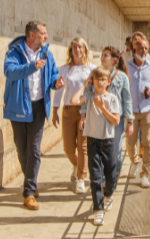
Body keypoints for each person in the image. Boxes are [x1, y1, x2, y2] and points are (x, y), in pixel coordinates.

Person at [3, 21, 63, 210]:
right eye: (43, 34)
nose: (46, 37)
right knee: (22, 150)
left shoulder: (47, 53)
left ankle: (28, 192)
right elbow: (9, 71)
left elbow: (53, 75)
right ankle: (31, 179)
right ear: (31, 35)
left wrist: (56, 83)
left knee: (35, 150)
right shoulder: (14, 52)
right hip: (19, 107)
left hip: (38, 108)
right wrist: (31, 66)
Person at [69, 66, 121, 226]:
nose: (99, 82)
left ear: (108, 82)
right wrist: (84, 86)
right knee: (95, 177)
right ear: (93, 81)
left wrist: (102, 107)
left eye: (103, 79)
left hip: (108, 141)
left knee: (111, 175)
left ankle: (109, 194)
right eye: (96, 79)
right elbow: (73, 101)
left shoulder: (112, 98)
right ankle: (98, 210)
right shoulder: (89, 96)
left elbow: (116, 121)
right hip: (92, 140)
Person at [79, 47, 134, 188]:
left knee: (115, 152)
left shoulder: (121, 77)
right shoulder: (94, 74)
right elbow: (87, 94)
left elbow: (127, 99)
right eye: (102, 55)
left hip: (117, 119)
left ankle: (113, 177)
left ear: (114, 60)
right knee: (99, 150)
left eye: (105, 56)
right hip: (97, 118)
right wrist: (83, 115)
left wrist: (130, 121)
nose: (102, 58)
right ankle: (103, 181)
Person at [51, 37, 96, 194]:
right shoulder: (64, 69)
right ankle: (77, 165)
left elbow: (95, 90)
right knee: (68, 148)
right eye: (74, 47)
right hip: (69, 111)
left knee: (82, 146)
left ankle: (81, 179)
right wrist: (55, 110)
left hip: (86, 110)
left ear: (85, 50)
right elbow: (59, 90)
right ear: (71, 50)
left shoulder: (91, 69)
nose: (77, 50)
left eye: (80, 47)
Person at [125, 33, 150, 188]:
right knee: (130, 142)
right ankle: (135, 161)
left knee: (147, 142)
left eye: (146, 48)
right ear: (134, 49)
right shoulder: (126, 66)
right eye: (140, 48)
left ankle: (145, 174)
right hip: (131, 111)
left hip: (148, 110)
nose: (144, 51)